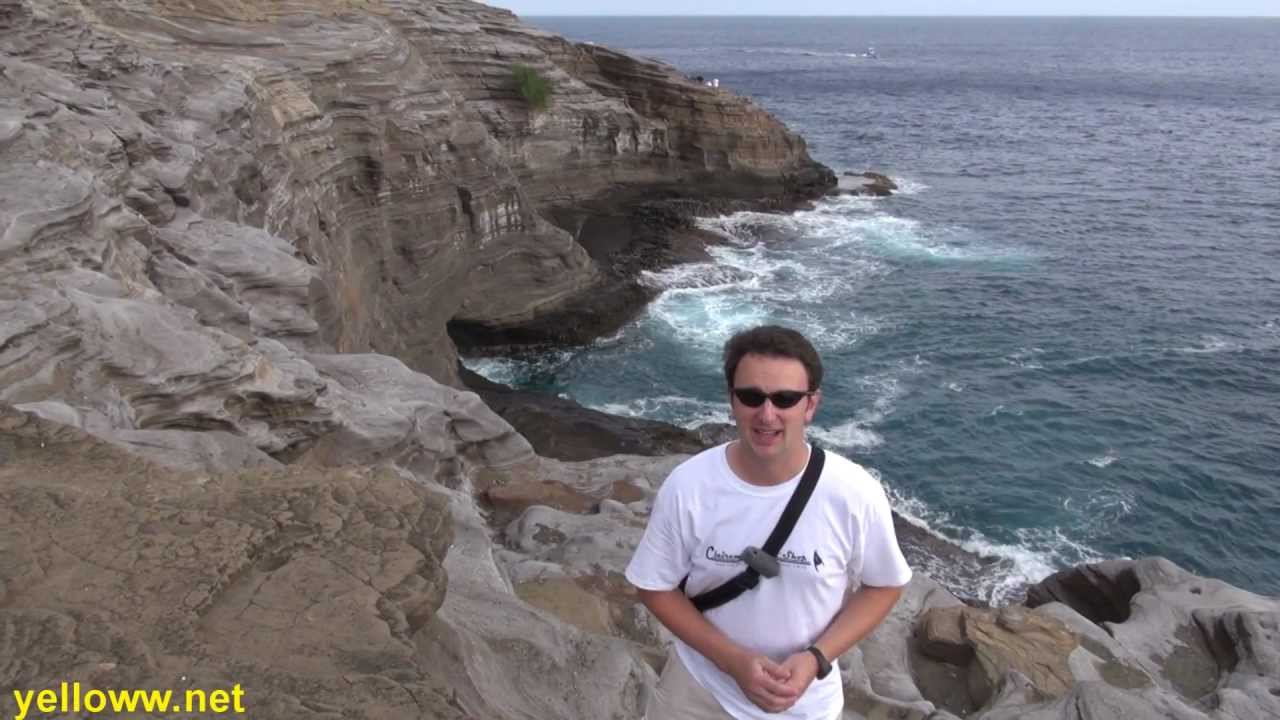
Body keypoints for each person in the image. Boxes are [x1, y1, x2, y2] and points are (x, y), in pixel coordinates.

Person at [625, 325, 913, 719]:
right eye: (751, 396)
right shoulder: (689, 485)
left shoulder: (853, 492)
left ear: (810, 405)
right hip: (697, 691)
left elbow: (885, 585)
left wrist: (816, 657)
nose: (767, 414)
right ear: (732, 400)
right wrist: (731, 660)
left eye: (785, 399)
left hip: (805, 705)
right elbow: (654, 586)